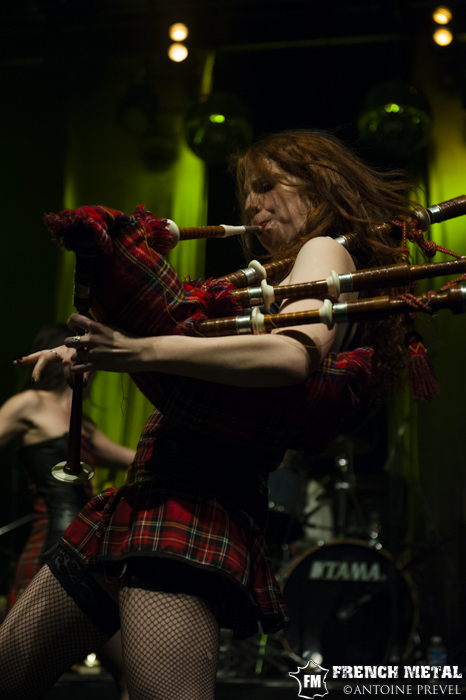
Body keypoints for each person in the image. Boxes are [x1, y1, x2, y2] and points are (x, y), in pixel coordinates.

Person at [0, 130, 416, 700]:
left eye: (266, 186)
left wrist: (139, 350)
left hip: (191, 510)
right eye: (248, 194)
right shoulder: (283, 274)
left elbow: (292, 354)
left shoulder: (325, 249)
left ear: (319, 187)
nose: (252, 205)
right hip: (147, 501)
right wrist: (103, 346)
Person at [0, 323, 134, 700]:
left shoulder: (84, 425)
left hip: (89, 552)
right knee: (16, 676)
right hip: (49, 549)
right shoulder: (29, 403)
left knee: (133, 674)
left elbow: (135, 459)